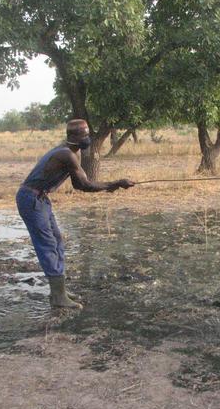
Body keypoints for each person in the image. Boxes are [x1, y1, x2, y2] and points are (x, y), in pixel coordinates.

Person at [16, 119, 134, 309]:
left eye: (88, 133)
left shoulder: (72, 151)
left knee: (57, 241)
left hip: (41, 198)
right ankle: (58, 297)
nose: (88, 138)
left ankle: (59, 292)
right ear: (73, 136)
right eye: (84, 135)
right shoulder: (66, 154)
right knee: (47, 244)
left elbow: (79, 184)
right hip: (30, 198)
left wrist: (111, 186)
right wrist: (115, 184)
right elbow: (85, 185)